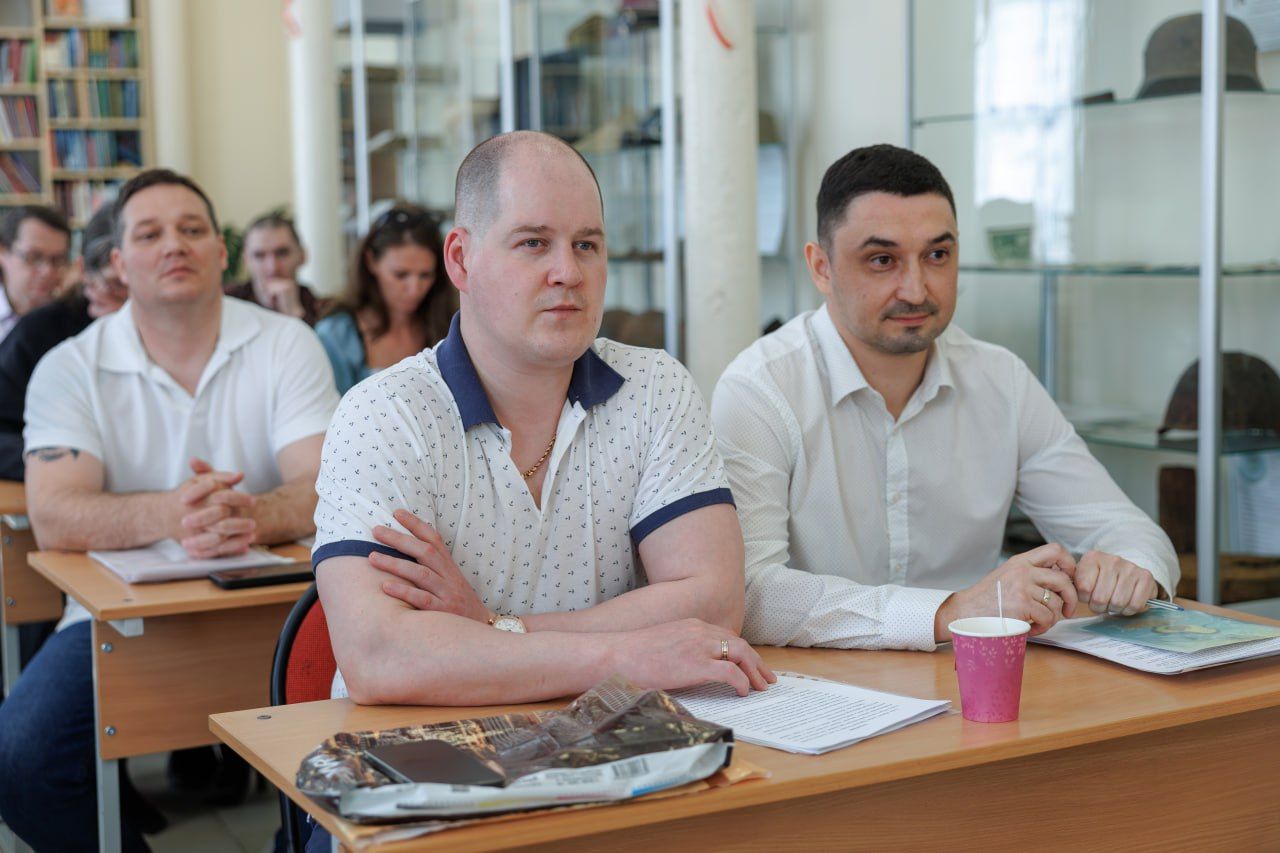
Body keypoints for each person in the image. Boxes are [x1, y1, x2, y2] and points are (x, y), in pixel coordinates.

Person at [711, 144, 1180, 651]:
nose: (916, 290)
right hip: (818, 684)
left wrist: (1131, 571)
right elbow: (752, 594)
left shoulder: (1001, 379)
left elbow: (1125, 529)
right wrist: (950, 612)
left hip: (977, 675)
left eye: (937, 255)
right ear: (821, 267)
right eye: (882, 260)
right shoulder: (760, 390)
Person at [0, 168, 339, 852]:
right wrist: (178, 514)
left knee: (355, 756)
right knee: (22, 761)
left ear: (221, 250)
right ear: (118, 263)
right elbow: (56, 513)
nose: (174, 245)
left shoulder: (287, 342)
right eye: (150, 234)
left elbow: (326, 484)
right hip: (119, 620)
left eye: (192, 229)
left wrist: (248, 514)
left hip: (282, 605)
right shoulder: (69, 366)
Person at [0, 204, 127, 481]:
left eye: (57, 260)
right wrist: (62, 463)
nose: (47, 272)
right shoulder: (40, 329)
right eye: (114, 285)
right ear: (83, 272)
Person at [314, 204, 455, 394]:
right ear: (371, 261)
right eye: (400, 275)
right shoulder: (337, 334)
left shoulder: (449, 325)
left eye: (425, 275)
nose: (414, 289)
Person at [224, 210, 324, 325]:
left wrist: (295, 313)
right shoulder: (226, 305)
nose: (272, 267)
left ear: (302, 256)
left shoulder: (324, 310)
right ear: (246, 260)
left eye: (282, 253)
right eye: (259, 256)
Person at [0, 205, 73, 344]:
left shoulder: (74, 318)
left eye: (58, 260)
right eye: (34, 257)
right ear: (3, 252)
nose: (48, 271)